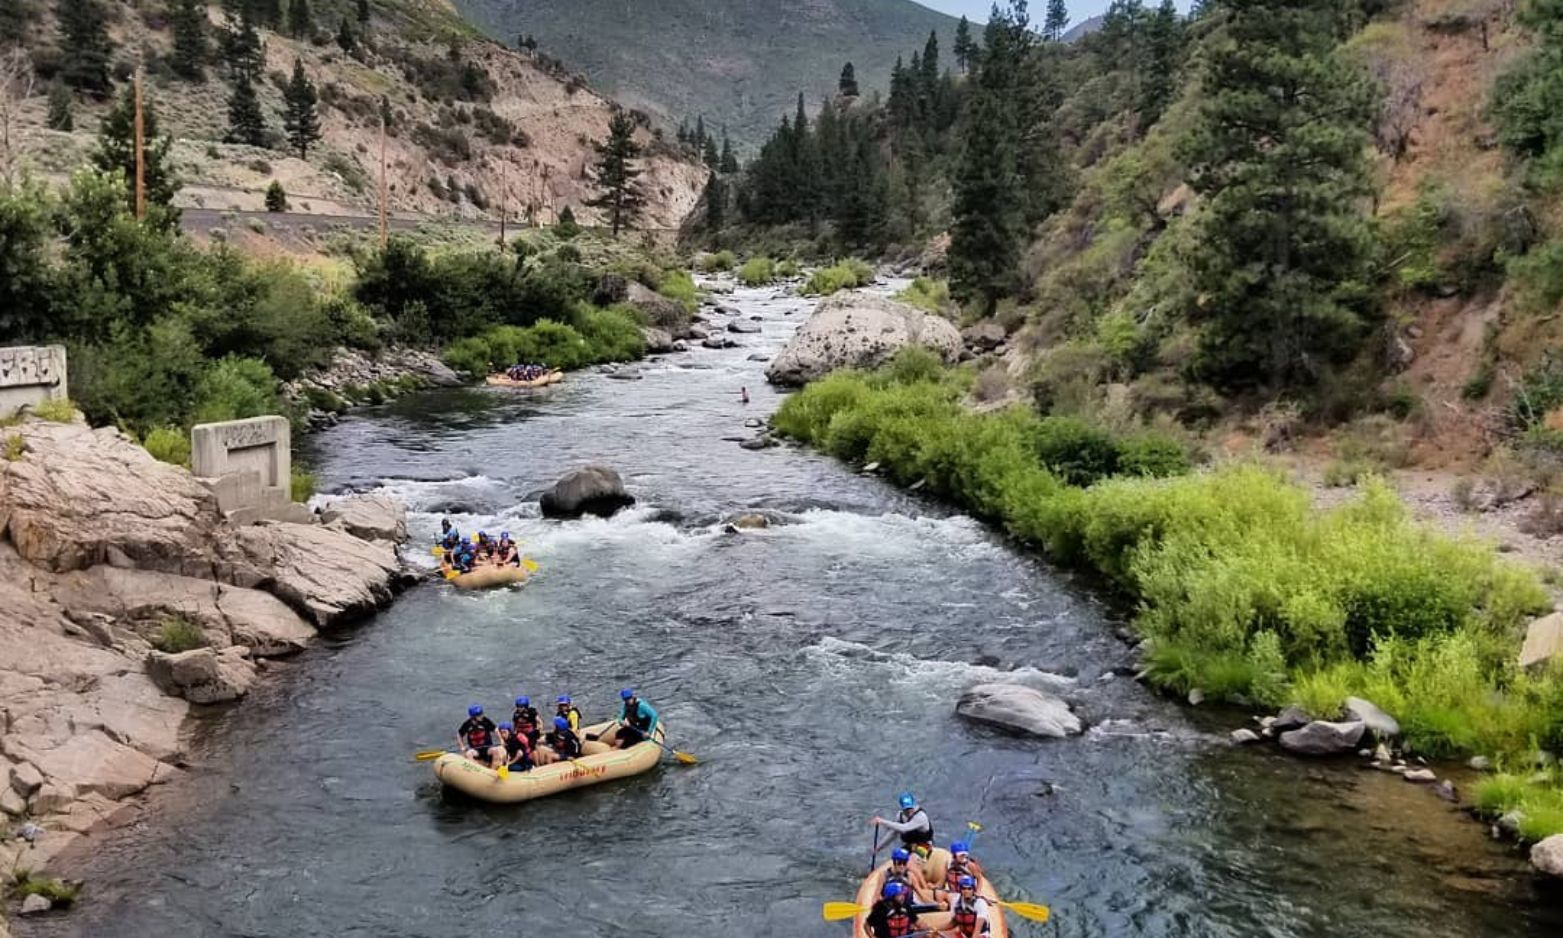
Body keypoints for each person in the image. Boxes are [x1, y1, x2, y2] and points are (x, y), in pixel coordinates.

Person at [872, 792, 934, 858]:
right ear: (902, 808)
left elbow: (904, 828)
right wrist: (879, 848)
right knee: (897, 857)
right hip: (911, 846)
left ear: (914, 804)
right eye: (906, 809)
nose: (909, 812)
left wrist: (882, 821)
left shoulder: (921, 816)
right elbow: (892, 833)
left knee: (913, 860)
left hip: (924, 846)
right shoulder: (900, 816)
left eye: (910, 808)